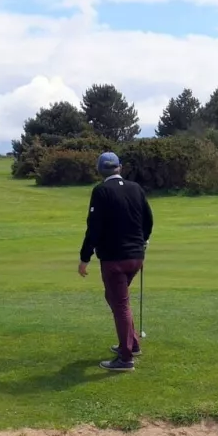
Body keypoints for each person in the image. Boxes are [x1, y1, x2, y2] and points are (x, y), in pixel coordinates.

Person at [78, 152, 152, 372]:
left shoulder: (101, 191)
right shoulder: (136, 188)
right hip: (136, 257)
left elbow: (94, 228)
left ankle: (126, 358)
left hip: (114, 260)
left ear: (100, 170)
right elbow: (148, 220)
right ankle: (133, 343)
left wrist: (84, 258)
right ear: (119, 167)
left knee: (120, 304)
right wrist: (143, 243)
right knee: (114, 297)